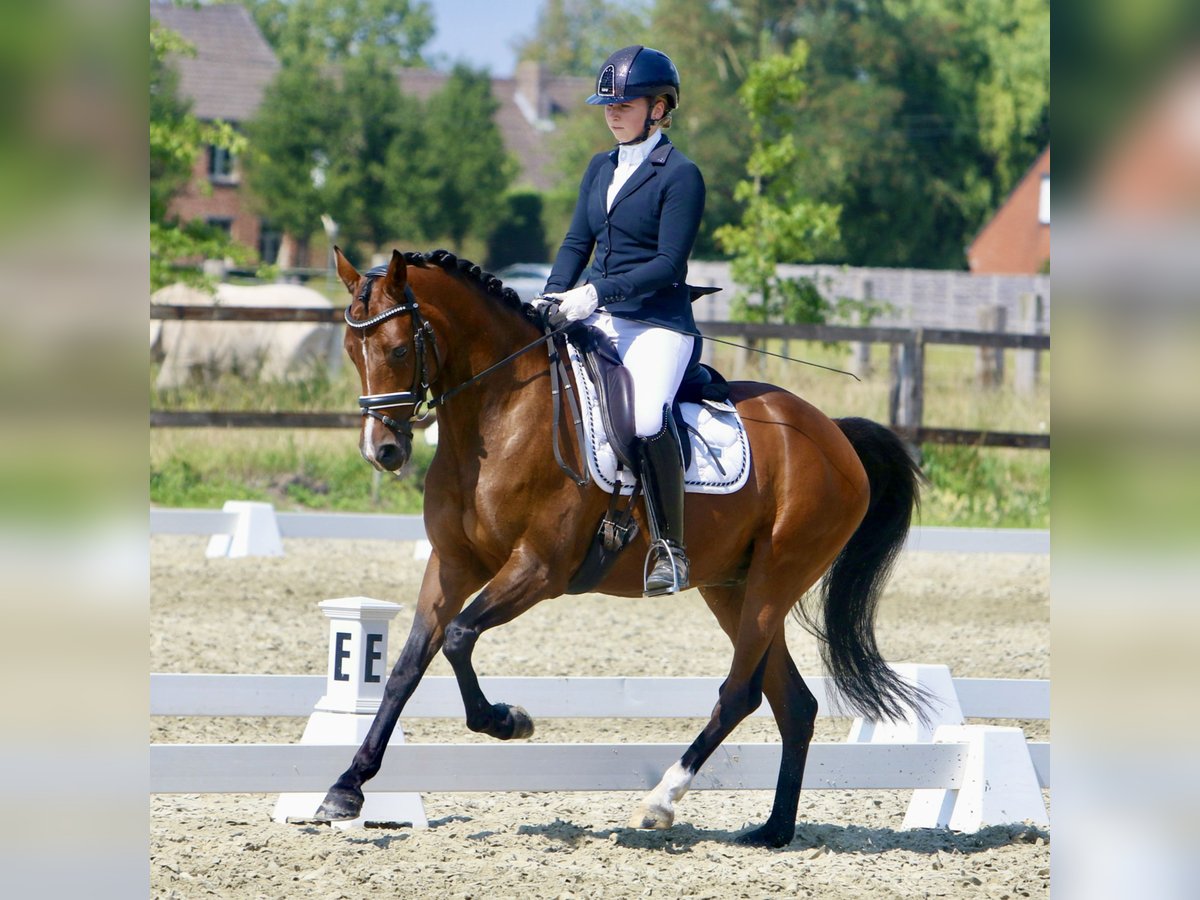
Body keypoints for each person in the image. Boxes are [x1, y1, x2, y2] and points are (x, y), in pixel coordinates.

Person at [537, 45, 705, 597]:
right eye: (607, 104)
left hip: (658, 325)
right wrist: (552, 295)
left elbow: (667, 264)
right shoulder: (600, 166)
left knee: (648, 419)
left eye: (625, 104)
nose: (612, 112)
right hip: (599, 315)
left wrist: (595, 293)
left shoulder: (680, 174)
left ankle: (670, 549)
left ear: (659, 108)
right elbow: (575, 241)